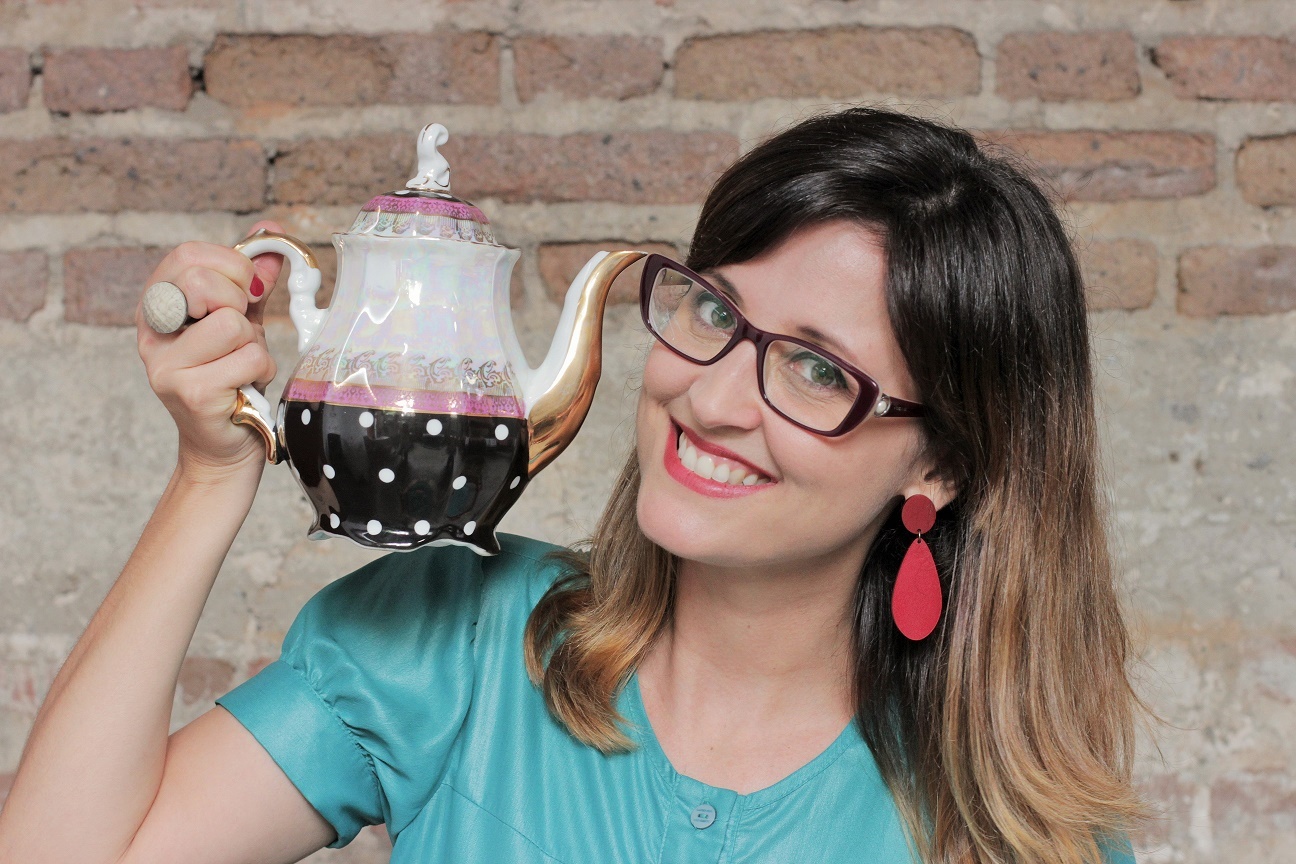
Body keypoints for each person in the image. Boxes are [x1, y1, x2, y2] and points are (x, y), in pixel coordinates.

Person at [0, 107, 1144, 863]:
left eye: (815, 370)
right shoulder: (453, 639)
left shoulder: (1024, 838)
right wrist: (212, 474)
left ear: (944, 461)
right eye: (715, 310)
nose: (712, 397)